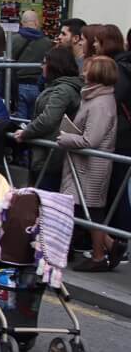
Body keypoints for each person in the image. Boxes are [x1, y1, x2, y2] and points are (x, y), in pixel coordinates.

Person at [61, 55, 120, 272]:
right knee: (85, 209)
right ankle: (110, 246)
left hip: (92, 166)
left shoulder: (101, 103)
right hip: (83, 165)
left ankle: (99, 255)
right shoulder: (93, 98)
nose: (83, 73)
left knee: (90, 210)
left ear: (98, 74)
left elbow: (91, 140)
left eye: (88, 70)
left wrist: (65, 138)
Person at [9, 10, 51, 118]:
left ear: (22, 23)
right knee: (34, 121)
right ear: (37, 23)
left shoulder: (13, 40)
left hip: (18, 86)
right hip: (38, 86)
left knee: (19, 123)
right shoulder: (47, 42)